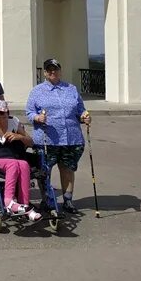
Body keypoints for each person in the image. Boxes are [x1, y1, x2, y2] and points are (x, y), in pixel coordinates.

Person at [25, 58, 91, 214]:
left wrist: (84, 116)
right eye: (49, 70)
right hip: (47, 139)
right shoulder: (37, 91)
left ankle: (68, 201)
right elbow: (29, 112)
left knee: (67, 169)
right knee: (44, 171)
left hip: (71, 138)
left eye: (55, 69)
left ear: (60, 70)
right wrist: (37, 118)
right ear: (45, 73)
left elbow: (80, 109)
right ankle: (47, 200)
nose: (52, 72)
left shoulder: (71, 89)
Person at [0, 100, 42, 221]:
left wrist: (20, 137)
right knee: (14, 164)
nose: (1, 119)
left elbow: (30, 142)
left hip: (13, 158)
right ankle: (9, 202)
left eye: (3, 116)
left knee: (24, 163)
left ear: (8, 114)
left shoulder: (14, 122)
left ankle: (24, 205)